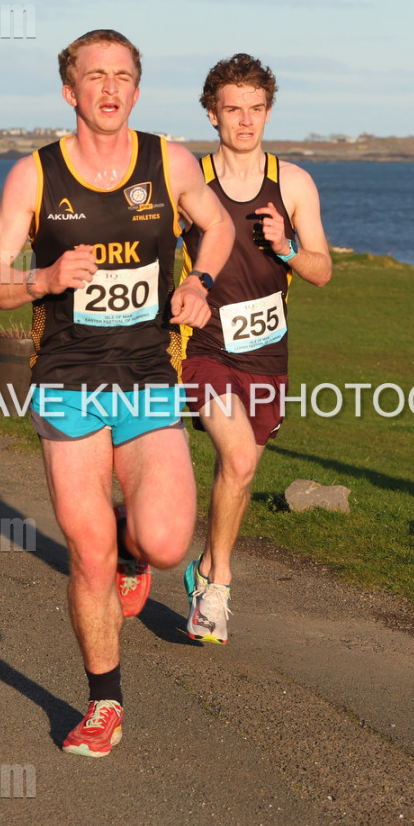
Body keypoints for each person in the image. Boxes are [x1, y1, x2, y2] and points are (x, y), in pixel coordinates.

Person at [0, 30, 234, 756]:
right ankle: (104, 702)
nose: (109, 88)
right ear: (71, 91)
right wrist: (43, 279)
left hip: (147, 374)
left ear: (137, 91)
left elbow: (217, 226)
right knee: (85, 555)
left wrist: (198, 280)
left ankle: (131, 549)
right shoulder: (35, 175)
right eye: (95, 76)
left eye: (122, 76)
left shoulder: (168, 162)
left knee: (166, 542)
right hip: (67, 381)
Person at [179, 55, 332, 644]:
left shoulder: (292, 184)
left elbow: (322, 271)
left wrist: (287, 247)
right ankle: (218, 589)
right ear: (212, 114)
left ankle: (206, 569)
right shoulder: (190, 181)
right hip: (205, 347)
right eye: (233, 109)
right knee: (239, 459)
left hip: (268, 353)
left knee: (238, 475)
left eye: (256, 108)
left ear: (268, 112)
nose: (245, 120)